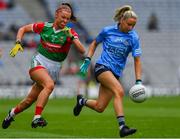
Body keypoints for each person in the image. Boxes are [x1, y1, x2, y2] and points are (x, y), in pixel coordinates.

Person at [2, 2, 85, 129]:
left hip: (55, 68)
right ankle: (37, 117)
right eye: (63, 17)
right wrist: (18, 42)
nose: (65, 21)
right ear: (56, 14)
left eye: (67, 19)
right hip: (39, 61)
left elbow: (82, 50)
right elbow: (22, 29)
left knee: (29, 100)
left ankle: (11, 114)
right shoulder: (44, 27)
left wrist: (73, 38)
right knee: (49, 85)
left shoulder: (69, 32)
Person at [73, 5, 143, 137]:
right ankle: (122, 127)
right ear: (122, 20)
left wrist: (138, 80)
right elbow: (94, 43)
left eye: (133, 25)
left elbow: (137, 60)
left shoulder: (133, 37)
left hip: (115, 73)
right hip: (101, 67)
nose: (131, 28)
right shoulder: (107, 31)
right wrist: (88, 59)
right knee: (119, 91)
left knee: (100, 107)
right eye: (129, 24)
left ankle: (81, 101)